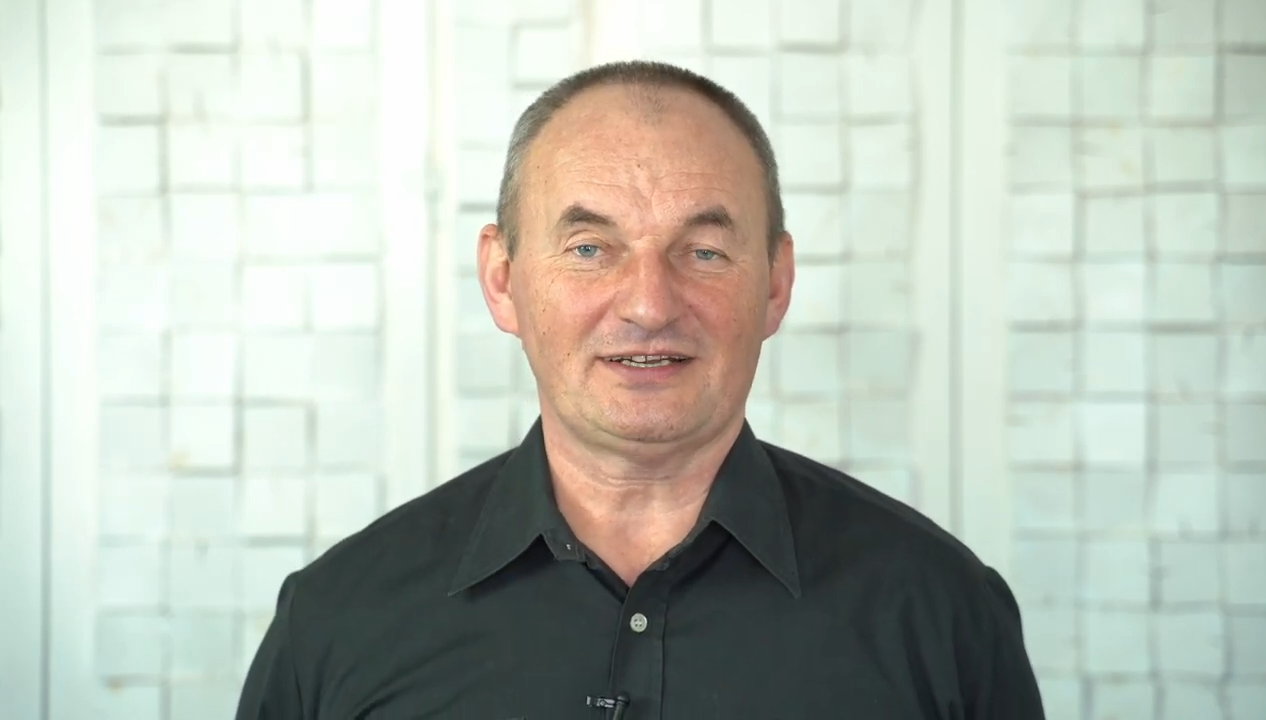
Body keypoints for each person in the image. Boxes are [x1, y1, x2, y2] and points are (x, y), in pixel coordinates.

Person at [235, 60, 1045, 719]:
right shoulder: (338, 619)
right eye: (590, 249)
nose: (650, 305)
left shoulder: (942, 612)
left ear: (775, 284)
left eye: (704, 252)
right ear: (503, 279)